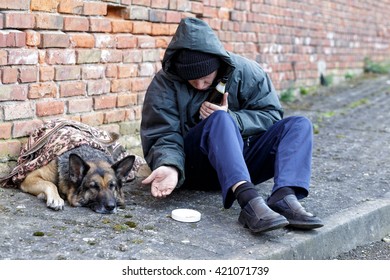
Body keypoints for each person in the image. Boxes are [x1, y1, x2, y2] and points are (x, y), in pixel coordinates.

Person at [140, 17, 323, 233]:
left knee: (299, 124)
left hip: (241, 164)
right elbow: (162, 133)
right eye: (192, 80)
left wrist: (235, 118)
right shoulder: (165, 83)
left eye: (205, 77)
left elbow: (272, 115)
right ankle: (249, 203)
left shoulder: (247, 72)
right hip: (194, 167)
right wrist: (170, 165)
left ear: (218, 64)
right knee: (219, 119)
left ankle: (284, 196)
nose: (199, 85)